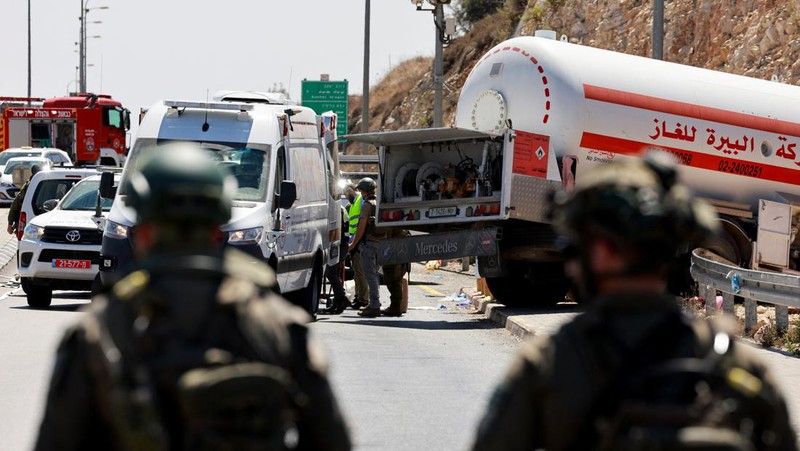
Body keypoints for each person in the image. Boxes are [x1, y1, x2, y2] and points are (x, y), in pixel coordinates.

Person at [471, 153, 798, 450]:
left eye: (575, 247)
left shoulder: (550, 365)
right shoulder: (739, 366)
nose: (570, 263)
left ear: (602, 251)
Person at [34, 145, 351, 450]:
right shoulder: (280, 327)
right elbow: (332, 440)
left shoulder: (99, 331)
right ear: (218, 232)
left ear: (142, 234)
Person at [347, 177, 392, 318]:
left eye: (360, 190)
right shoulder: (378, 203)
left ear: (364, 191)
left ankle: (374, 305)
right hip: (381, 243)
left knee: (370, 276)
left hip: (369, 244)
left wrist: (353, 244)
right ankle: (374, 303)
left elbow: (361, 227)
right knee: (374, 276)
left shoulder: (366, 205)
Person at [320, 203, 352, 315]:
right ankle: (338, 302)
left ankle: (342, 299)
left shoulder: (337, 209)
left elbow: (335, 228)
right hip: (340, 245)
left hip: (339, 245)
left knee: (330, 273)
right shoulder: (340, 208)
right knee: (334, 273)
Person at [345, 182, 369, 310]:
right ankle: (359, 297)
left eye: (346, 192)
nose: (345, 195)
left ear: (352, 190)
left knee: (361, 271)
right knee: (357, 272)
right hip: (354, 241)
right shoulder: (353, 204)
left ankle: (363, 299)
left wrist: (355, 242)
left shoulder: (360, 200)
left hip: (359, 241)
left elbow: (361, 223)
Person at [7, 164, 43, 236]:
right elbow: (16, 204)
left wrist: (10, 224)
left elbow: (15, 205)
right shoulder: (29, 185)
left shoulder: (29, 184)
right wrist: (10, 224)